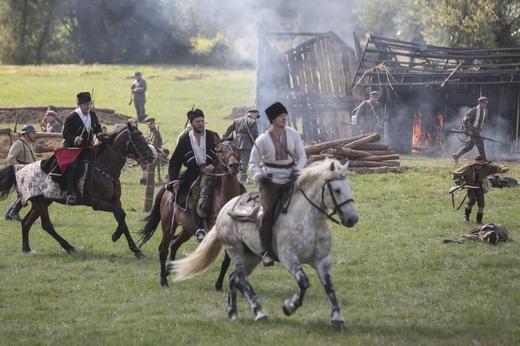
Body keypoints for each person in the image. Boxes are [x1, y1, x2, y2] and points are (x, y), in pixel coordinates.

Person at [249, 102, 307, 266]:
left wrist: (297, 170)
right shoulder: (262, 140)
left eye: (284, 115)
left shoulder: (293, 134)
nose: (284, 118)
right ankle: (266, 251)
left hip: (291, 178)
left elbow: (302, 156)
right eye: (281, 116)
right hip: (271, 182)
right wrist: (260, 176)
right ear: (273, 119)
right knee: (267, 213)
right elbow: (252, 163)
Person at [166, 109, 219, 242]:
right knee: (196, 196)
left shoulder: (213, 136)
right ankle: (200, 228)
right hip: (193, 174)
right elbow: (175, 162)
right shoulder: (184, 140)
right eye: (197, 122)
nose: (201, 124)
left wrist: (212, 165)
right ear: (192, 123)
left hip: (214, 172)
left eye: (202, 121)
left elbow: (221, 154)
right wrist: (174, 180)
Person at [60, 91, 102, 205]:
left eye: (89, 104)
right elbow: (66, 134)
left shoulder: (92, 115)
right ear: (80, 105)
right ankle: (69, 194)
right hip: (73, 149)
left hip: (87, 148)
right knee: (74, 167)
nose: (88, 106)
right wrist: (75, 139)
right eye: (85, 104)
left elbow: (97, 127)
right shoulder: (72, 117)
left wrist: (99, 134)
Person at [452, 154, 508, 225]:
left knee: (481, 203)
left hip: (479, 186)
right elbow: (455, 174)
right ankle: (466, 216)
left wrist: (504, 168)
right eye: (477, 164)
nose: (478, 166)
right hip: (470, 186)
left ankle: (479, 221)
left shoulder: (486, 167)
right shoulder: (467, 168)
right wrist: (462, 183)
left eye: (480, 165)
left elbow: (497, 166)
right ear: (473, 164)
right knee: (472, 200)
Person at [5, 124, 37, 221]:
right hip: (21, 172)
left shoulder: (29, 144)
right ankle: (13, 212)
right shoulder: (19, 143)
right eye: (33, 133)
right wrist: (21, 169)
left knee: (23, 194)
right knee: (26, 193)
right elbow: (10, 158)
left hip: (28, 172)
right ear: (26, 134)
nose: (35, 135)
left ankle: (9, 214)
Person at [222, 109, 260, 183]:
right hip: (247, 144)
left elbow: (229, 129)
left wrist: (223, 138)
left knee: (236, 161)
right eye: (256, 116)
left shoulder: (237, 120)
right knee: (244, 162)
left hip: (236, 143)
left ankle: (237, 177)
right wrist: (257, 143)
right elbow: (254, 134)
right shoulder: (252, 122)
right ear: (253, 114)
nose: (256, 117)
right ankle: (243, 178)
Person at [452, 96, 489, 163]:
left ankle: (457, 155)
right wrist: (468, 130)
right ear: (479, 103)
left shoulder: (485, 111)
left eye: (486, 103)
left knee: (469, 146)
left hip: (477, 131)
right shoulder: (473, 111)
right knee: (480, 144)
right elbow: (464, 120)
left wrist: (480, 129)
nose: (485, 104)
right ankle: (484, 161)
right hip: (472, 129)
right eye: (484, 103)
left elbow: (483, 121)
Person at [140, 117, 163, 185]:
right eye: (148, 124)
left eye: (151, 124)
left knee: (150, 166)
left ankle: (148, 180)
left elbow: (154, 144)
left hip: (154, 150)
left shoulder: (156, 132)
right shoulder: (149, 131)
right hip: (149, 149)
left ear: (154, 124)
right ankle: (144, 178)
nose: (150, 125)